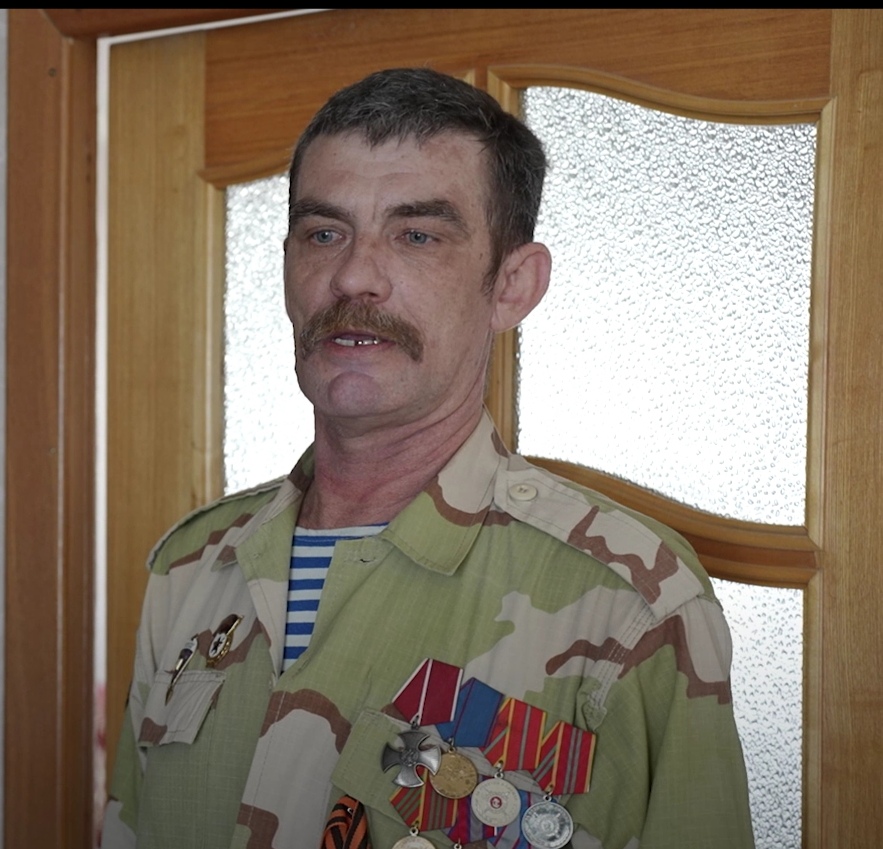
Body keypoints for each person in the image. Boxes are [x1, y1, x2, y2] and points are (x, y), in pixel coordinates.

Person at [102, 67, 755, 849]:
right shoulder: (191, 568)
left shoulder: (632, 602)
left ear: (510, 285)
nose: (352, 275)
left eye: (416, 235)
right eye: (323, 233)